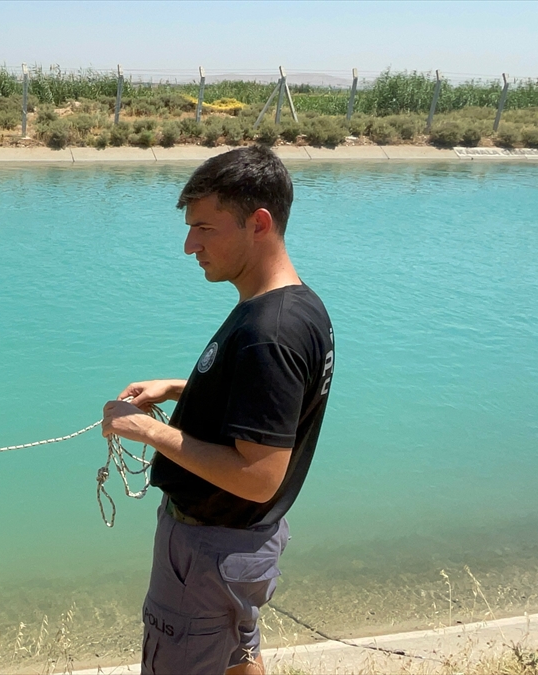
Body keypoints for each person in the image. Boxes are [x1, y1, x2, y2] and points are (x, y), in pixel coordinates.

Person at [101, 145, 335, 675]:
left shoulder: (267, 334)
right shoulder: (299, 307)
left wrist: (145, 432)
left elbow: (257, 476)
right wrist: (182, 388)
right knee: (238, 658)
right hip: (245, 546)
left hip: (209, 553)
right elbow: (273, 401)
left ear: (258, 223)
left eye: (204, 229)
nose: (190, 246)